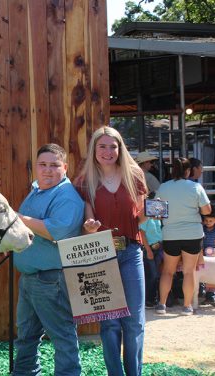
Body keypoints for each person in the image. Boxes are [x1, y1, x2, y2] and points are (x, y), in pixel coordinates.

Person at [74, 126, 147, 376]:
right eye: (102, 146)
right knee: (109, 324)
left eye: (113, 146)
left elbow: (141, 217)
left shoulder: (134, 175)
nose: (108, 151)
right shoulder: (84, 182)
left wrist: (158, 213)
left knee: (135, 322)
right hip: (100, 255)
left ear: (120, 148)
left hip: (131, 252)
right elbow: (85, 226)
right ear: (94, 149)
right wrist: (89, 227)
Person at [13, 143, 85, 376]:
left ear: (65, 167)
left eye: (54, 165)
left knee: (62, 335)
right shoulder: (38, 190)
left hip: (51, 279)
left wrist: (19, 218)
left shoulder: (66, 196)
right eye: (42, 165)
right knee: (26, 335)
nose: (48, 170)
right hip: (31, 277)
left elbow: (57, 231)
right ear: (35, 167)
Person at [155, 157, 211, 317]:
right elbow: (207, 211)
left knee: (167, 271)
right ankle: (187, 307)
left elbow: (157, 212)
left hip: (170, 234)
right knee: (188, 271)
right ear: (188, 171)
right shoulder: (196, 187)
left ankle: (161, 305)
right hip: (192, 234)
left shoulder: (163, 187)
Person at [139, 216, 163, 308]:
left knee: (156, 274)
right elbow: (142, 233)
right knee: (151, 275)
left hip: (158, 248)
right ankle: (148, 300)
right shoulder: (146, 216)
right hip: (149, 248)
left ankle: (153, 298)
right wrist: (148, 250)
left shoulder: (157, 217)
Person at [201, 207, 215, 305]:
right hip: (205, 256)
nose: (208, 222)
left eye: (210, 221)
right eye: (206, 220)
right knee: (208, 276)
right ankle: (210, 297)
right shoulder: (202, 229)